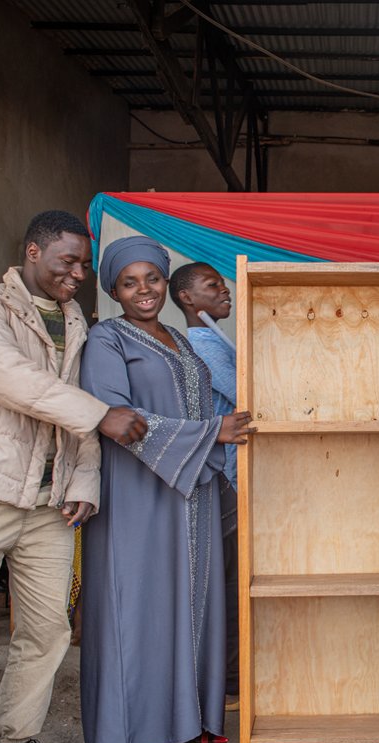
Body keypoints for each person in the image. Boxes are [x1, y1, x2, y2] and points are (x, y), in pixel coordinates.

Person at [0, 211, 148, 743]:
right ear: (34, 251)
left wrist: (85, 478)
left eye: (85, 266)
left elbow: (73, 415)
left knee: (47, 631)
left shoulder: (76, 322)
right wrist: (101, 414)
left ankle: (14, 739)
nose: (78, 274)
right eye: (68, 261)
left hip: (50, 504)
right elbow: (7, 378)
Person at [80, 237, 253, 743]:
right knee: (137, 605)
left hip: (193, 491)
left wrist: (211, 440)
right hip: (136, 494)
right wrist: (210, 433)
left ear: (165, 281)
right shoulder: (105, 340)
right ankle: (127, 732)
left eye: (152, 278)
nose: (144, 290)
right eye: (129, 283)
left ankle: (189, 719)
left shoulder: (180, 339)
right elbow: (115, 417)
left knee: (192, 600)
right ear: (114, 289)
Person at [168, 260, 240, 709]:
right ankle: (230, 682)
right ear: (187, 299)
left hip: (223, 471)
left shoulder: (213, 339)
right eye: (212, 286)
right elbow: (251, 395)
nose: (224, 290)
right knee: (229, 579)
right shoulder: (204, 345)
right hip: (224, 473)